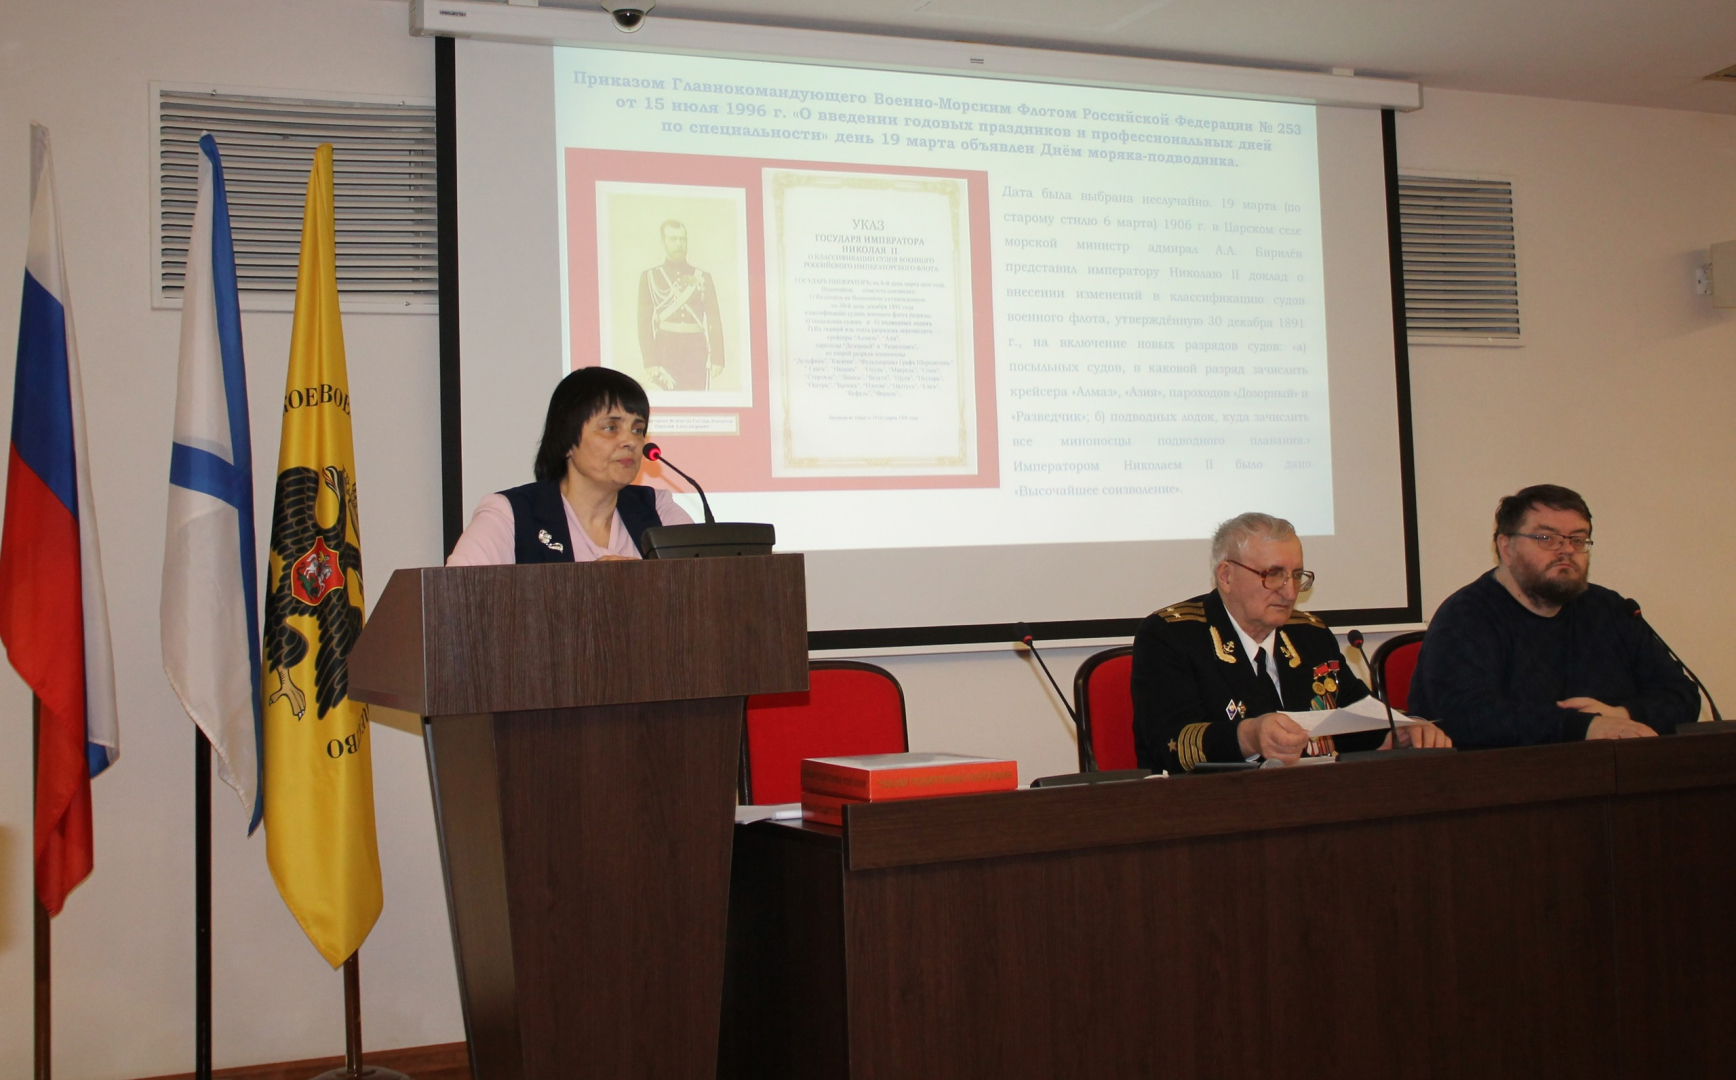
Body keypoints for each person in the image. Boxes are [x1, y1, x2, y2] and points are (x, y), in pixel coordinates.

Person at [1132, 512, 1451, 772]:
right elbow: (1170, 744)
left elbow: (1358, 716)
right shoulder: (1172, 635)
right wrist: (1248, 736)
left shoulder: (1309, 634)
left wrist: (1404, 729)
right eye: (1273, 575)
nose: (1289, 591)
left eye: (1297, 575)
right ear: (1226, 576)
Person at [1406, 484, 1699, 747]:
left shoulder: (1612, 609)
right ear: (1506, 547)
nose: (1566, 550)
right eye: (1546, 538)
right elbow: (1466, 716)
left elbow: (1682, 695)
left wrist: (1622, 715)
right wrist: (1584, 727)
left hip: (1613, 774)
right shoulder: (1466, 616)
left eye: (1578, 539)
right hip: (1507, 779)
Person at [446, 367, 692, 566]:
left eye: (638, 430)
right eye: (611, 428)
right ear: (567, 441)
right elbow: (457, 595)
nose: (630, 441)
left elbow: (701, 585)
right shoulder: (510, 515)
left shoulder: (659, 510)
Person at [637, 219, 725, 391]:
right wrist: (650, 361)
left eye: (682, 239)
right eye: (673, 239)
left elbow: (714, 319)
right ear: (663, 242)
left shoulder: (703, 277)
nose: (679, 244)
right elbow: (643, 323)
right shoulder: (650, 277)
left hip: (696, 350)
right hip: (664, 350)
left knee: (696, 401)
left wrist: (717, 358)